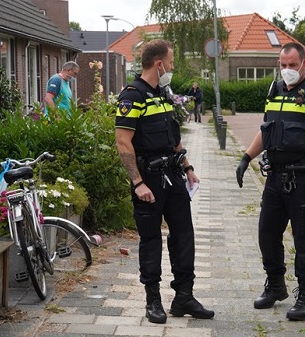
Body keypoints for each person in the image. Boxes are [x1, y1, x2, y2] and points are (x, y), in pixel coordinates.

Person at [235, 42, 305, 321]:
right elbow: (266, 131)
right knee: (267, 233)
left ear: (303, 64)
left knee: (304, 239)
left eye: (292, 65)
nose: (287, 70)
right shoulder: (274, 91)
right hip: (276, 176)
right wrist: (246, 157)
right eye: (283, 65)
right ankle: (276, 285)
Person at [114, 39, 214, 324]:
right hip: (149, 181)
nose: (171, 68)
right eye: (170, 63)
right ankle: (153, 300)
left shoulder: (163, 94)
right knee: (151, 240)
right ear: (158, 64)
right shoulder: (132, 96)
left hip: (173, 176)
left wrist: (188, 165)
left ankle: (184, 296)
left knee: (184, 235)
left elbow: (173, 137)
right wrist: (137, 182)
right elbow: (123, 143)